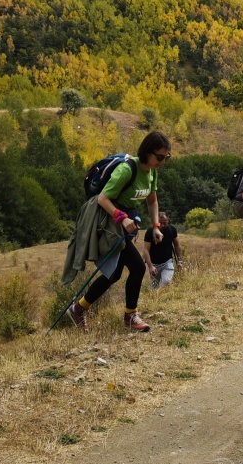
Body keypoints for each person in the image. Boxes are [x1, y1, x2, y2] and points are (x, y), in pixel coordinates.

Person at [63, 131, 170, 333]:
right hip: (110, 224)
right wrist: (123, 217)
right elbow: (103, 199)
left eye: (167, 157)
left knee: (113, 274)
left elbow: (152, 200)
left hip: (126, 225)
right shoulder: (126, 170)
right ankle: (130, 316)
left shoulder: (152, 172)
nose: (163, 162)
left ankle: (78, 309)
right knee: (138, 268)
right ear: (148, 152)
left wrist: (155, 226)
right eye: (160, 157)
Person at [145, 212, 181, 289]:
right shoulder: (150, 232)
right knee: (154, 287)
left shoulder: (172, 230)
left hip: (167, 262)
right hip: (154, 265)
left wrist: (179, 261)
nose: (163, 225)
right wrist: (150, 266)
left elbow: (177, 245)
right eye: (160, 223)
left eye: (165, 223)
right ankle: (156, 299)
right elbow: (146, 250)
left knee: (166, 282)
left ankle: (166, 298)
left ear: (168, 220)